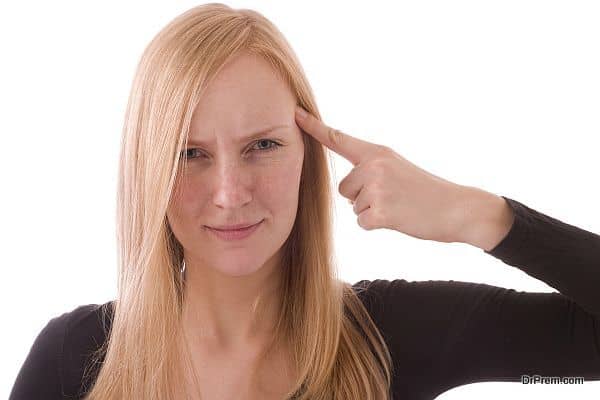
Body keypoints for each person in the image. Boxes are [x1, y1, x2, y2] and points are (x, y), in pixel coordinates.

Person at [9, 4, 600, 400]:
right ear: (147, 170)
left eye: (261, 145)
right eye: (191, 153)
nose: (229, 193)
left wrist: (473, 215)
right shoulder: (73, 360)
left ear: (308, 158)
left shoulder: (389, 338)